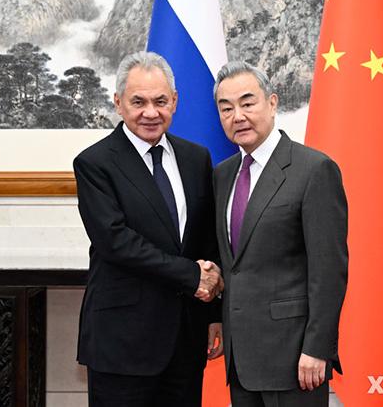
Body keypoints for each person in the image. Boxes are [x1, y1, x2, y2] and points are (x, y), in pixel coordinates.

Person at [73, 51, 224, 407]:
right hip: (122, 343)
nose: (151, 113)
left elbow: (206, 239)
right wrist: (191, 275)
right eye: (138, 102)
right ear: (118, 103)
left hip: (185, 341)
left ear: (175, 101)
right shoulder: (95, 163)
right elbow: (116, 242)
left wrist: (213, 314)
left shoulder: (196, 158)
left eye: (160, 101)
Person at [212, 61, 348, 407]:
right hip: (240, 358)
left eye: (247, 103)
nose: (238, 116)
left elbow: (328, 270)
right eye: (226, 108)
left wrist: (317, 348)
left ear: (272, 103)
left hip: (294, 358)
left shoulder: (314, 170)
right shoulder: (222, 176)